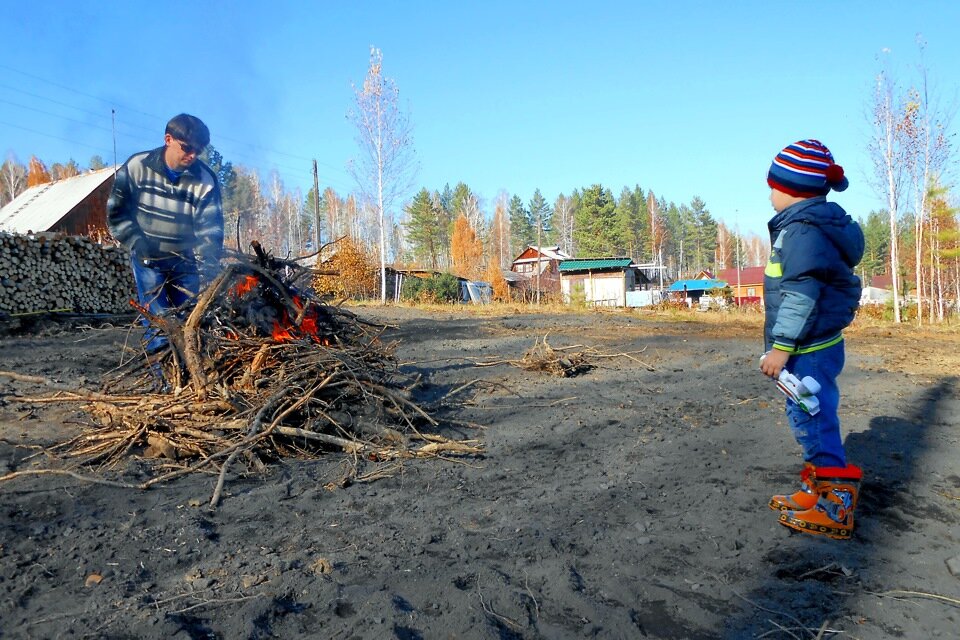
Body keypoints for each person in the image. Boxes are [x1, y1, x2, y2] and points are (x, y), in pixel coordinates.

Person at [759, 139, 865, 540]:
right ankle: (814, 491)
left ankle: (836, 507)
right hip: (812, 345)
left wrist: (781, 348)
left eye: (772, 186)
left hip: (807, 349)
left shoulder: (803, 231)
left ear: (792, 189)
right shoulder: (807, 227)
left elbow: (801, 294)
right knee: (807, 417)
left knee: (814, 420)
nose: (769, 195)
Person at [107, 113, 224, 354]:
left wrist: (209, 263)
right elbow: (117, 212)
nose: (192, 156)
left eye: (198, 151)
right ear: (168, 139)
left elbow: (210, 228)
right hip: (147, 260)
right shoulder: (137, 167)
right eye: (187, 148)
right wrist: (137, 243)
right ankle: (164, 383)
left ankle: (190, 375)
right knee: (158, 325)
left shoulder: (205, 180)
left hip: (185, 260)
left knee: (190, 323)